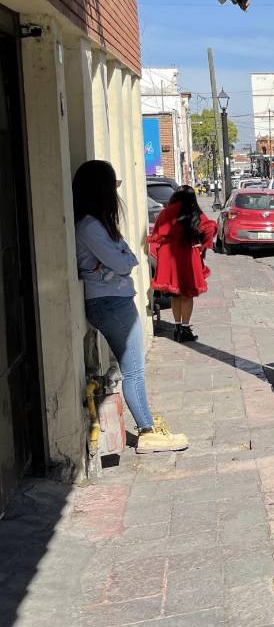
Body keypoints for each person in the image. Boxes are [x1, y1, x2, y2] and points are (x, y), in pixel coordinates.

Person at [73, 160, 188, 453]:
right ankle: (147, 431)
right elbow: (122, 262)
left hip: (115, 299)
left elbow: (128, 259)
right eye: (112, 187)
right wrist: (115, 263)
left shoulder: (100, 225)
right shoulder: (89, 227)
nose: (116, 195)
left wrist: (115, 263)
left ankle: (148, 426)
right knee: (134, 370)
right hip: (110, 302)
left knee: (134, 369)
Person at [149, 185, 218, 342]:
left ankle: (177, 327)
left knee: (175, 293)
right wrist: (201, 245)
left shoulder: (165, 212)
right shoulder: (194, 212)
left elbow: (156, 235)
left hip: (169, 255)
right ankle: (185, 329)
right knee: (187, 293)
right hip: (187, 254)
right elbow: (209, 228)